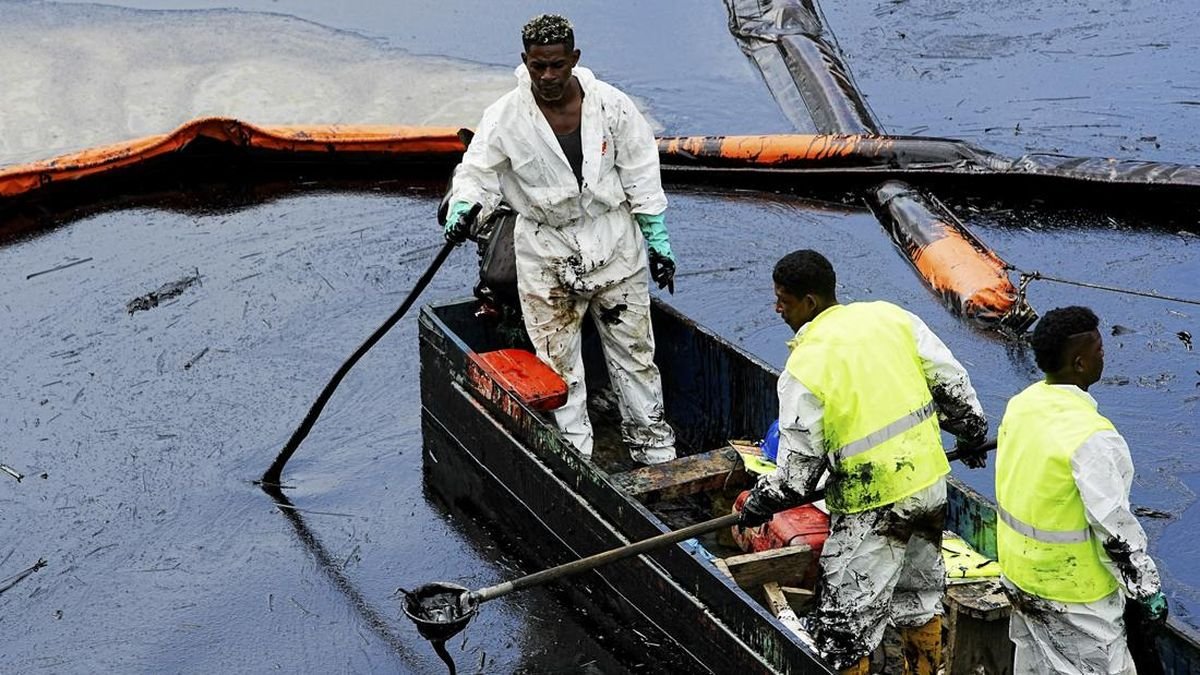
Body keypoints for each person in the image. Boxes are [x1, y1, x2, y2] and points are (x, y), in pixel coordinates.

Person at [738, 249, 989, 675]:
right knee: (919, 599)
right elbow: (952, 383)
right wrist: (972, 434)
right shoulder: (891, 318)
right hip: (927, 486)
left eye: (783, 299)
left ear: (810, 302)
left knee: (844, 628)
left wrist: (759, 503)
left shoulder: (806, 364)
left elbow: (798, 477)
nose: (777, 308)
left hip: (870, 505)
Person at [442, 14, 677, 465]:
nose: (547, 77)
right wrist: (463, 207)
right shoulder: (505, 117)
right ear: (525, 62)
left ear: (574, 59)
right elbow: (476, 173)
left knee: (636, 357)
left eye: (556, 65)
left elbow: (642, 173)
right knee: (559, 367)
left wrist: (658, 239)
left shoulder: (612, 107)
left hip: (614, 247)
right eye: (537, 67)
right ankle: (575, 457)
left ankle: (655, 450)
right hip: (546, 253)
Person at [995, 306, 1167, 675]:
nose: (1104, 357)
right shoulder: (1093, 437)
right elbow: (1115, 530)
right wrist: (1147, 590)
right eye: (1099, 352)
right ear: (1079, 363)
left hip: (1020, 576)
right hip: (1075, 597)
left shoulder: (1021, 404)